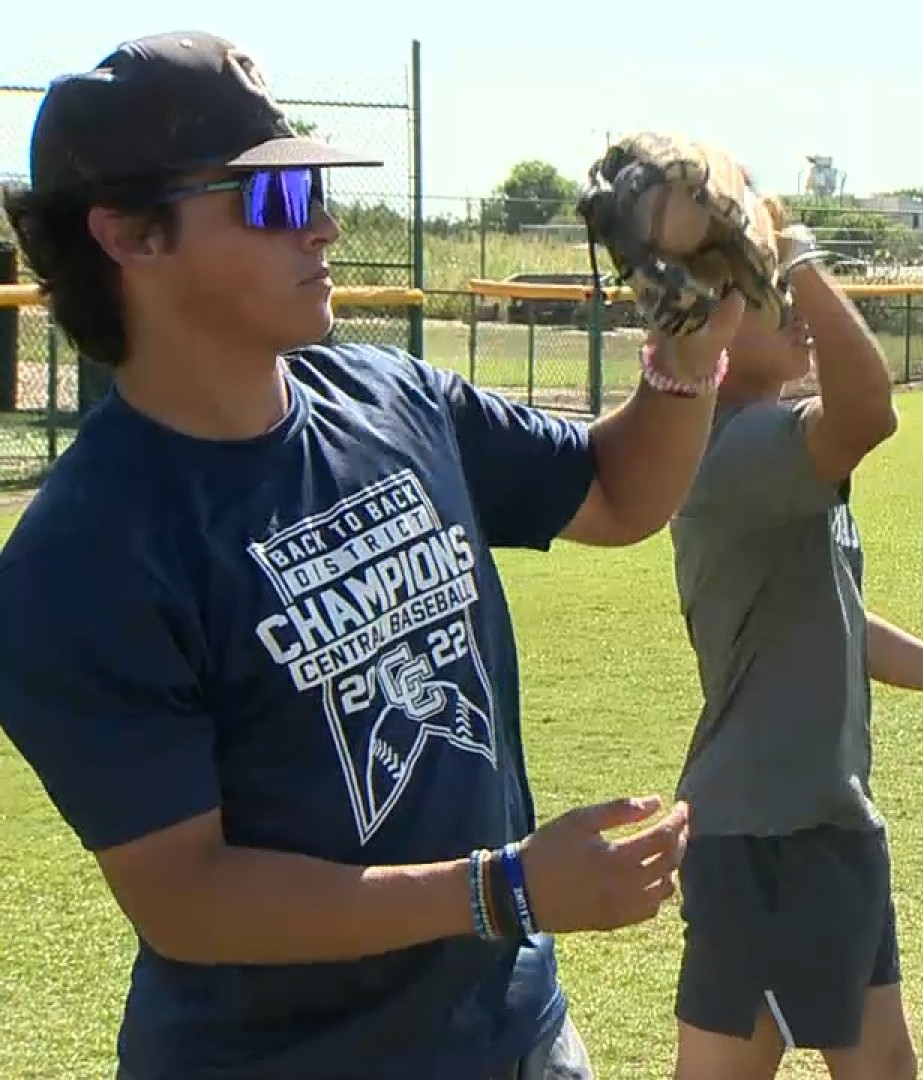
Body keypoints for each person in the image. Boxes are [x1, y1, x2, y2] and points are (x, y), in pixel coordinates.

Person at [0, 32, 720, 1080]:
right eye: (278, 198)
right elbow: (187, 898)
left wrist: (687, 355)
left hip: (513, 1032)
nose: (326, 223)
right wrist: (504, 889)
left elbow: (618, 494)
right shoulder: (79, 557)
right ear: (129, 234)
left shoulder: (387, 394)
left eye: (317, 187)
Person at [665, 213, 923, 1079]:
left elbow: (841, 621)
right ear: (716, 320)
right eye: (769, 291)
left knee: (882, 1067)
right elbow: (871, 410)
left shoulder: (774, 448)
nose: (794, 304)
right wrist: (799, 254)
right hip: (772, 826)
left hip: (819, 819)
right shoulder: (746, 446)